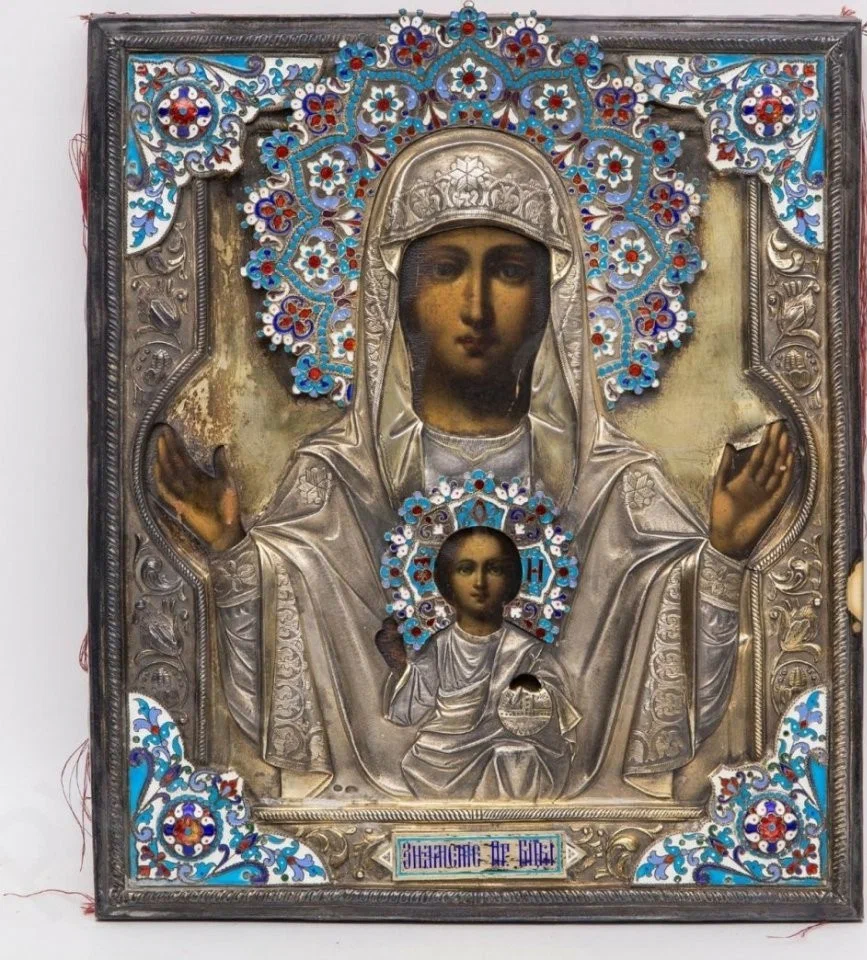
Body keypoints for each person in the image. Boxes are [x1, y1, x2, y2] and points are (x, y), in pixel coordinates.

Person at [151, 128, 795, 802]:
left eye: (510, 272)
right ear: (397, 294)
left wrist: (724, 554)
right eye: (445, 269)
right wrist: (231, 550)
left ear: (552, 298)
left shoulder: (619, 488)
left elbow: (676, 694)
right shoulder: (332, 483)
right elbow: (276, 687)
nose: (476, 307)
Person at [380, 526, 580, 801]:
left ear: (511, 581)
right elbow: (407, 714)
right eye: (465, 569)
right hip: (437, 761)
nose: (480, 582)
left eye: (494, 569)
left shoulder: (528, 651)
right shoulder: (440, 647)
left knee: (515, 759)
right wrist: (399, 664)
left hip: (511, 760)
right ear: (446, 581)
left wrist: (533, 690)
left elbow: (555, 716)